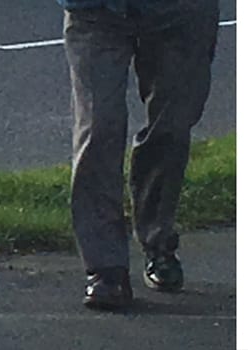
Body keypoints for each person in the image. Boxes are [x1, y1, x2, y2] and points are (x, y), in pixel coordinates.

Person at [58, 0, 220, 309]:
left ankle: (158, 243)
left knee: (171, 129)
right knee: (98, 128)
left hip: (180, 12)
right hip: (96, 11)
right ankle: (106, 270)